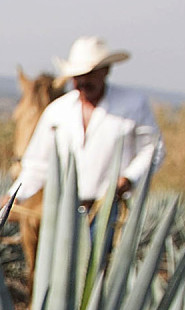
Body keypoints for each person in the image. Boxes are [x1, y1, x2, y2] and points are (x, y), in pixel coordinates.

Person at [12, 36, 164, 207]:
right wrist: (15, 196)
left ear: (106, 70)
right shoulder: (56, 112)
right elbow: (37, 164)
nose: (83, 81)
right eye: (77, 76)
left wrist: (129, 179)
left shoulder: (133, 105)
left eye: (90, 74)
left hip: (110, 208)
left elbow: (152, 149)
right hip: (62, 210)